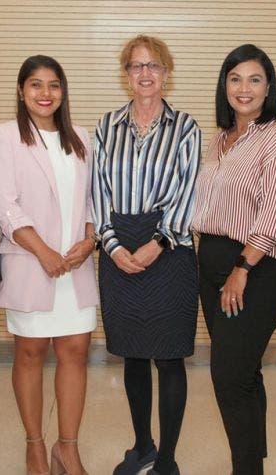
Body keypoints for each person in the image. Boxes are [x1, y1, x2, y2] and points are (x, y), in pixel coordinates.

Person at [92, 35, 201, 475]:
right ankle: (143, 445)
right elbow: (96, 191)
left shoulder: (186, 127)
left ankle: (169, 460)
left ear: (167, 74)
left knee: (169, 356)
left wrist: (158, 243)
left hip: (169, 249)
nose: (145, 74)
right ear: (125, 75)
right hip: (118, 246)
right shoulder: (106, 126)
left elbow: (186, 191)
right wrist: (113, 245)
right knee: (133, 353)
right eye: (136, 66)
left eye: (153, 65)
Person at [191, 44, 276, 475]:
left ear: (268, 87)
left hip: (258, 266)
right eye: (235, 78)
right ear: (224, 85)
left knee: (229, 375)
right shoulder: (221, 138)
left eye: (255, 79)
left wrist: (242, 269)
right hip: (214, 260)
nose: (244, 88)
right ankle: (251, 463)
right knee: (244, 371)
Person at [0, 55, 97, 475]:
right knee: (30, 352)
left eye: (53, 84)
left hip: (76, 263)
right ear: (21, 90)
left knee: (75, 351)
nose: (45, 93)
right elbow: (4, 204)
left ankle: (67, 447)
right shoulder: (4, 136)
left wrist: (89, 241)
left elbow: (92, 201)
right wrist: (44, 252)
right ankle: (35, 445)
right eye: (35, 84)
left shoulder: (81, 138)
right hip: (31, 262)